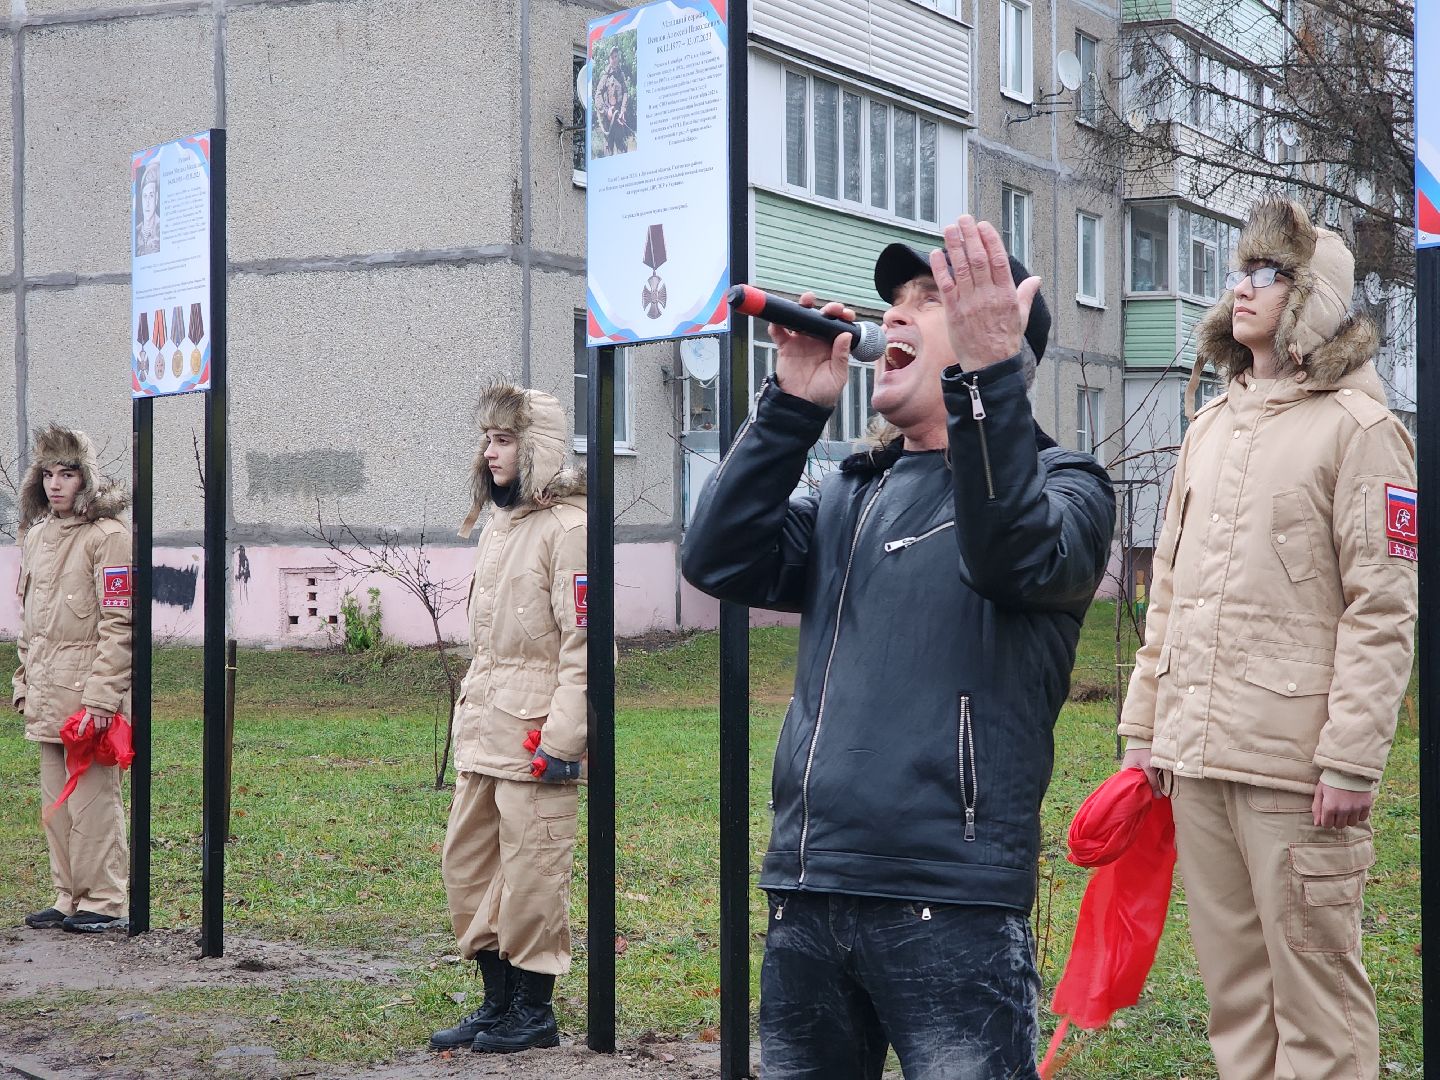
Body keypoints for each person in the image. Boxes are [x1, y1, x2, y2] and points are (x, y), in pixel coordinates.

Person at [681, 216, 1116, 1079]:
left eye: (931, 300)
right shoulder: (853, 487)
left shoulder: (1066, 488)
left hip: (948, 905)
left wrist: (988, 383)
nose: (899, 318)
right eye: (896, 302)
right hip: (811, 890)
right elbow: (718, 556)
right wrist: (791, 407)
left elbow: (1011, 552)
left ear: (1000, 340)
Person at [1119, 196, 1417, 1080]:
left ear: (1313, 298)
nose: (1241, 288)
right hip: (1199, 756)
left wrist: (1352, 760)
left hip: (1297, 771)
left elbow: (1383, 607)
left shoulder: (1362, 431)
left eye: (1268, 274)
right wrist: (1145, 732)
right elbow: (1165, 589)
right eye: (1240, 272)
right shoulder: (1209, 426)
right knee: (1237, 1002)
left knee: (1316, 1006)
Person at [429, 384, 588, 1056]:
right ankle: (495, 1006)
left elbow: (586, 646)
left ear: (538, 446)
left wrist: (563, 739)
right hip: (483, 730)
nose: (490, 452)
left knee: (532, 877)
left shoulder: (569, 529)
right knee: (466, 869)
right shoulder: (500, 525)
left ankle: (533, 1013)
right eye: (487, 439)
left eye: (505, 439)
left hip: (534, 736)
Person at [13, 425, 133, 934]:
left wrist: (104, 698)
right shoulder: (37, 536)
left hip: (87, 698)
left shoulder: (108, 537)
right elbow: (31, 623)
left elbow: (120, 623)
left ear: (86, 478)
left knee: (94, 802)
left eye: (67, 473)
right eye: (48, 474)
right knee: (55, 804)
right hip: (44, 693)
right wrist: (22, 682)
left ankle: (105, 901)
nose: (56, 484)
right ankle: (67, 896)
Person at [134, 162, 160, 257]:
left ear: (156, 199)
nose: (147, 203)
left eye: (151, 196)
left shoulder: (161, 228)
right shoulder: (136, 231)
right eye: (145, 196)